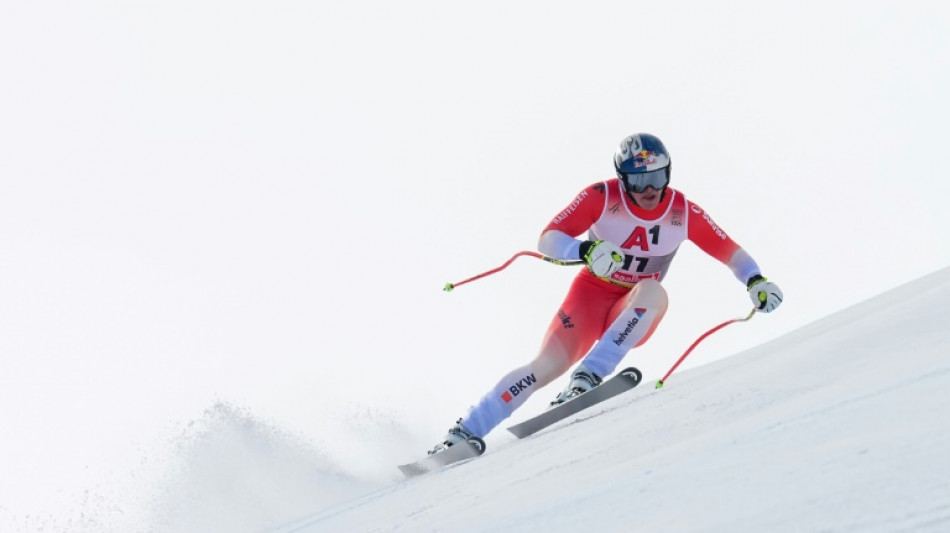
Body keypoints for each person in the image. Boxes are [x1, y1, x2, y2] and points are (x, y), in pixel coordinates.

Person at [429, 133, 783, 454]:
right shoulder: (601, 196)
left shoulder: (682, 211)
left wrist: (756, 281)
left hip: (632, 310)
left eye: (658, 178)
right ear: (622, 179)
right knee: (545, 366)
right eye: (640, 180)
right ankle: (463, 432)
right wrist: (582, 251)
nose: (650, 189)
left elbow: (730, 251)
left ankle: (589, 377)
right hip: (588, 298)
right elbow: (549, 237)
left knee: (653, 291)